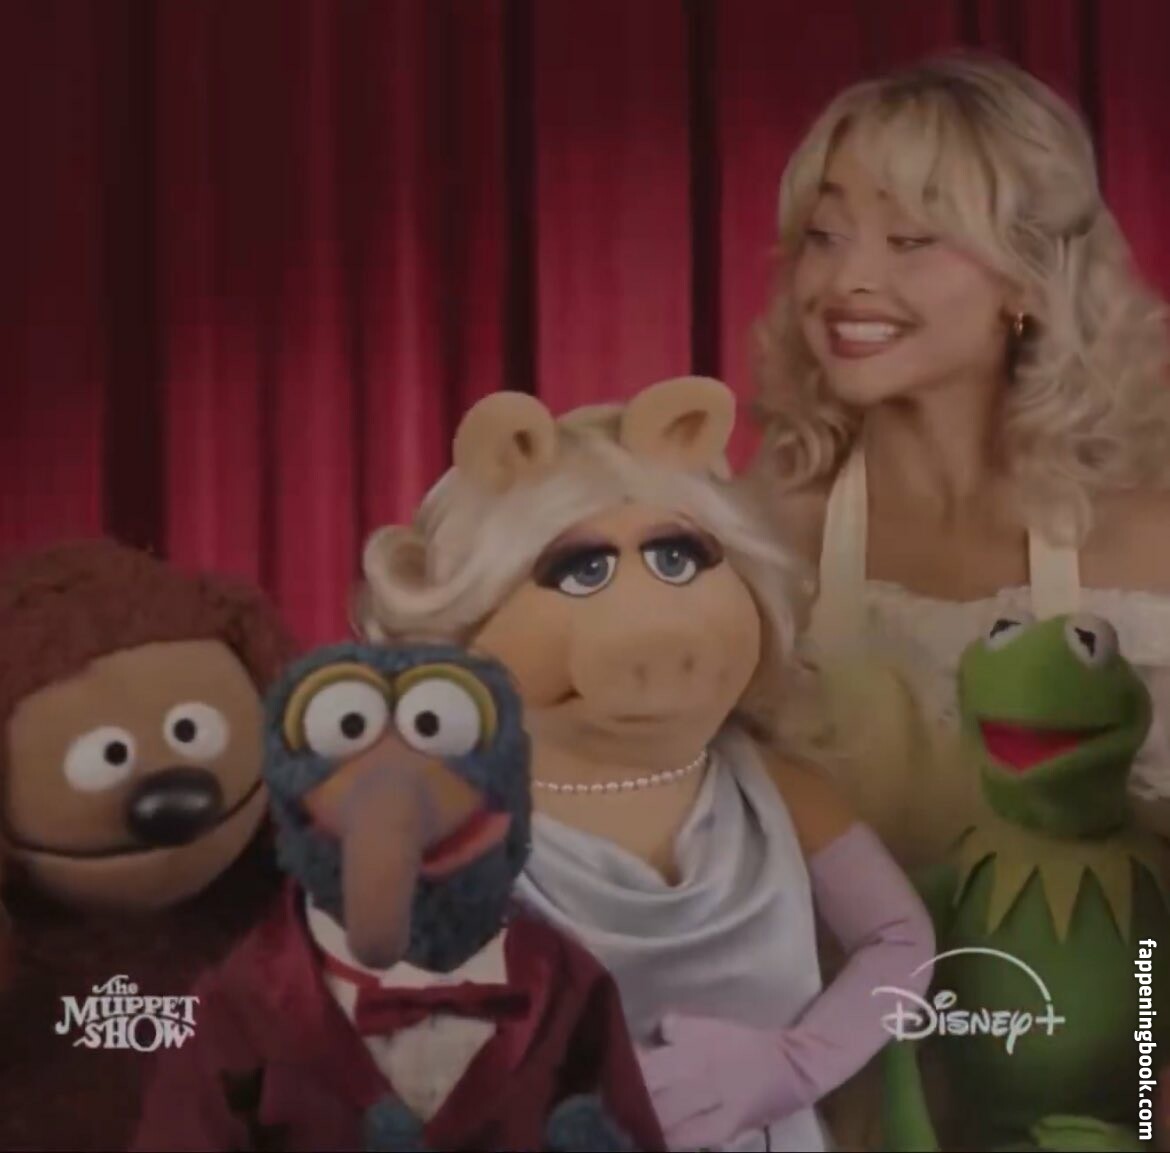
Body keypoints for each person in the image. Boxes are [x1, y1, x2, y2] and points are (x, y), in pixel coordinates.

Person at [354, 376, 934, 1152]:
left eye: (676, 557)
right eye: (582, 571)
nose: (655, 624)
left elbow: (899, 940)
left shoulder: (773, 788)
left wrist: (797, 1062)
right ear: (467, 615)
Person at [741, 51, 1170, 871]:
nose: (847, 279)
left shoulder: (1152, 542)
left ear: (1027, 282)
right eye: (824, 236)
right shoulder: (760, 543)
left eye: (910, 239)